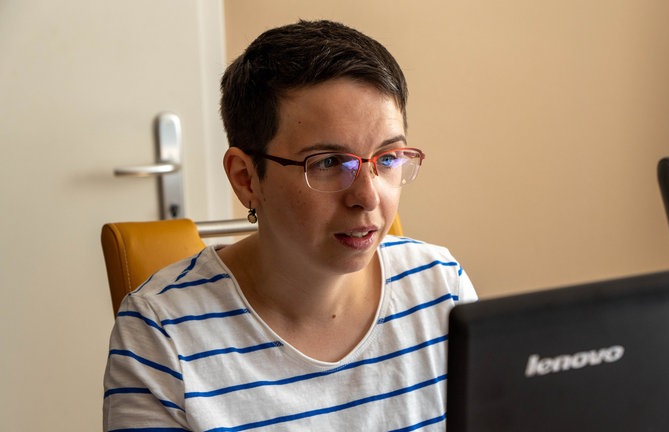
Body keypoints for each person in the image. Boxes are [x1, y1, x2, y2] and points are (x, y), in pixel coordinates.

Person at [103, 19, 477, 431]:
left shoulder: (442, 287)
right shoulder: (161, 333)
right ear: (246, 178)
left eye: (387, 159)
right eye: (329, 163)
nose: (368, 197)